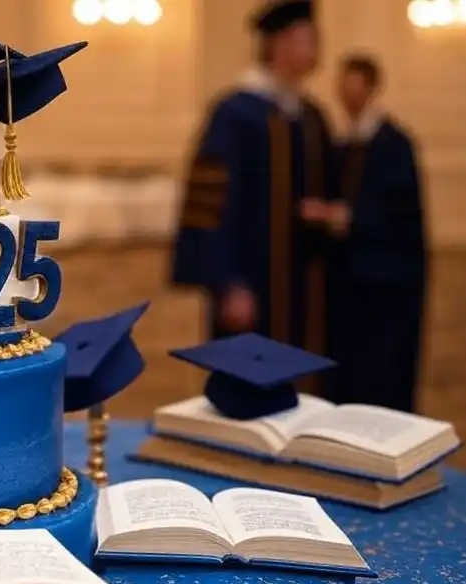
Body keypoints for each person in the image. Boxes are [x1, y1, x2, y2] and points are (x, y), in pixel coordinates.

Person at [172, 0, 338, 393]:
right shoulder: (235, 113)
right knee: (244, 388)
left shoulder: (312, 116)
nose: (316, 48)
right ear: (278, 45)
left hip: (305, 286)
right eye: (306, 38)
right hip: (250, 284)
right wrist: (227, 283)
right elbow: (209, 206)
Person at [327, 54, 428, 412]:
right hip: (350, 281)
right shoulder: (343, 144)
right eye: (343, 84)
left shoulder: (394, 145)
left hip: (386, 283)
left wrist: (352, 219)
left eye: (354, 84)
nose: (347, 93)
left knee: (382, 376)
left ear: (371, 88)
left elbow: (402, 214)